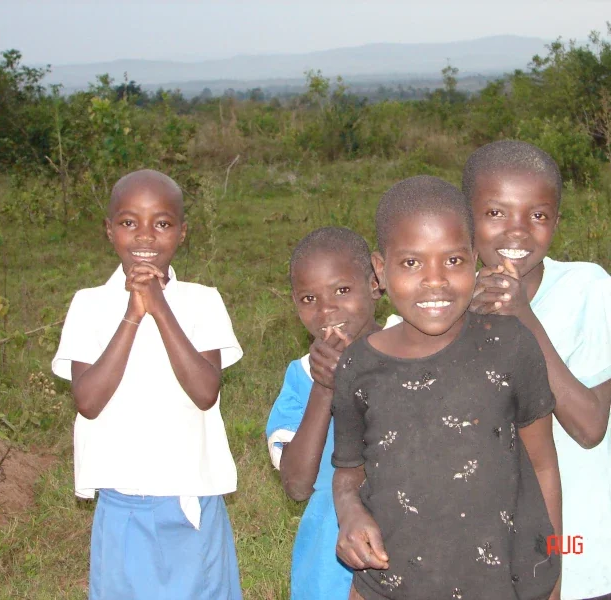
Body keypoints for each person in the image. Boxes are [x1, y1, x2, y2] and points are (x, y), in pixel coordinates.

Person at [332, 175, 562, 600]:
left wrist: (550, 575)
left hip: (501, 587)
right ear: (380, 271)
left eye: (453, 261)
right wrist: (348, 513)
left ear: (475, 260)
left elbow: (544, 464)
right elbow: (348, 469)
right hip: (391, 584)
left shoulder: (510, 345)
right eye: (412, 263)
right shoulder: (358, 366)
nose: (435, 281)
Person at [51, 169, 244, 600]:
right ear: (109, 230)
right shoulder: (89, 305)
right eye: (128, 222)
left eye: (161, 223)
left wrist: (160, 307)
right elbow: (87, 400)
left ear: (181, 233)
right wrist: (133, 314)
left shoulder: (202, 301)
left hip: (192, 497)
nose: (145, 236)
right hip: (122, 503)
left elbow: (204, 391)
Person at [463, 141, 611, 600]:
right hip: (488, 559)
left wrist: (524, 316)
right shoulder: (442, 309)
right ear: (467, 219)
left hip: (587, 551)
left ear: (556, 222)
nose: (517, 232)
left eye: (537, 215)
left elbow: (589, 426)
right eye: (496, 213)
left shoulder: (586, 288)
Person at [266, 227, 382, 600]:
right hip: (328, 564)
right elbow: (297, 485)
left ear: (375, 283)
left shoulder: (413, 354)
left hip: (408, 548)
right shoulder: (300, 378)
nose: (326, 309)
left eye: (342, 290)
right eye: (308, 298)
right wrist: (324, 386)